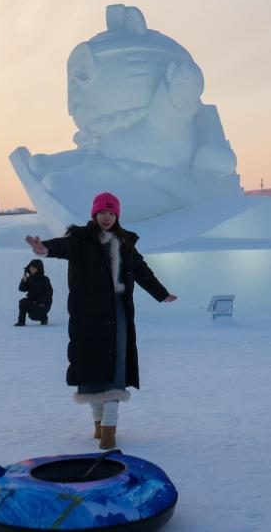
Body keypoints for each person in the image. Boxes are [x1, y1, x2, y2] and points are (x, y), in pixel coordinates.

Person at [25, 191, 177, 450]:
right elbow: (64, 246)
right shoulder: (81, 239)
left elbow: (142, 271)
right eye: (102, 213)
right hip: (88, 314)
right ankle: (98, 424)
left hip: (118, 313)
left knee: (116, 365)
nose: (106, 217)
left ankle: (109, 428)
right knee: (91, 368)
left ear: (117, 215)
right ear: (94, 214)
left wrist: (161, 294)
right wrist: (45, 249)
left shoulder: (125, 242)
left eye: (111, 213)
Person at [15, 259, 53, 326]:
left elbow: (49, 293)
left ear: (39, 268)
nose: (31, 270)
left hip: (43, 304)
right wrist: (24, 280)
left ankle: (44, 318)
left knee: (36, 314)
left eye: (33, 268)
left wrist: (39, 302)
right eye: (30, 268)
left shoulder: (45, 279)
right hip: (32, 303)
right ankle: (21, 322)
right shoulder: (29, 279)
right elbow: (22, 289)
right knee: (22, 302)